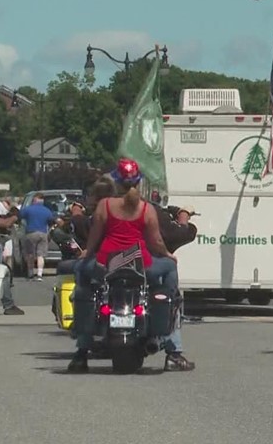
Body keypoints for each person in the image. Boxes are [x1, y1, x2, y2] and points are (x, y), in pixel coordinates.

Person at [69, 159, 195, 373]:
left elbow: (94, 236)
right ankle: (173, 346)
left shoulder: (105, 205)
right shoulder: (146, 209)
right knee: (170, 275)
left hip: (107, 263)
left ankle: (81, 349)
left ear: (116, 182)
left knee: (81, 276)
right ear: (138, 182)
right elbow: (156, 241)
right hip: (140, 264)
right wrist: (166, 255)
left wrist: (86, 254)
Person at [17, 194, 57, 281]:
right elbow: (52, 221)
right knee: (41, 255)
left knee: (30, 254)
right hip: (43, 233)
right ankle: (39, 274)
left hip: (30, 233)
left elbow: (19, 216)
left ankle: (30, 273)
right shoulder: (47, 211)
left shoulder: (28, 209)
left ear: (34, 200)